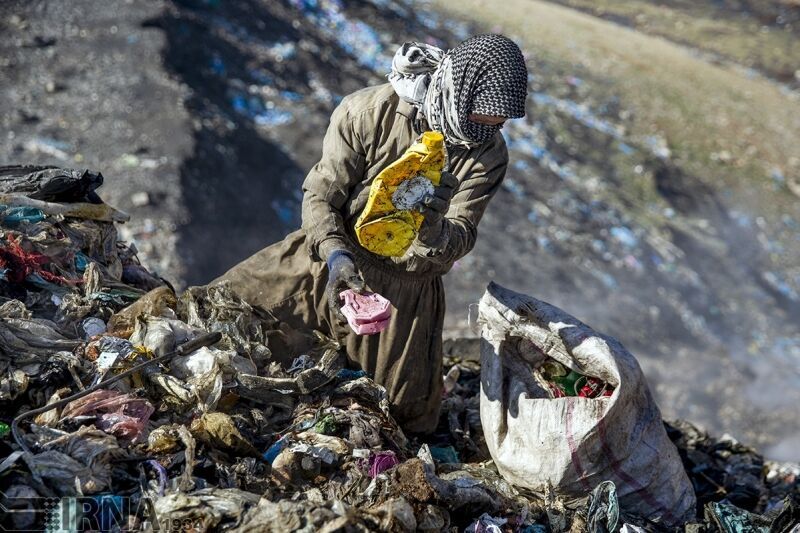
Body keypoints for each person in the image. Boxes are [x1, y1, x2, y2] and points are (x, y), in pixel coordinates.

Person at [213, 34, 528, 433]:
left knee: (394, 417)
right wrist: (335, 256)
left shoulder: (487, 153)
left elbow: (462, 232)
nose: (498, 126)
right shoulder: (369, 111)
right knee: (229, 322)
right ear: (461, 93)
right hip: (326, 261)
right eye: (490, 115)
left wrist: (433, 231)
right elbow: (320, 196)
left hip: (404, 294)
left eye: (502, 119)